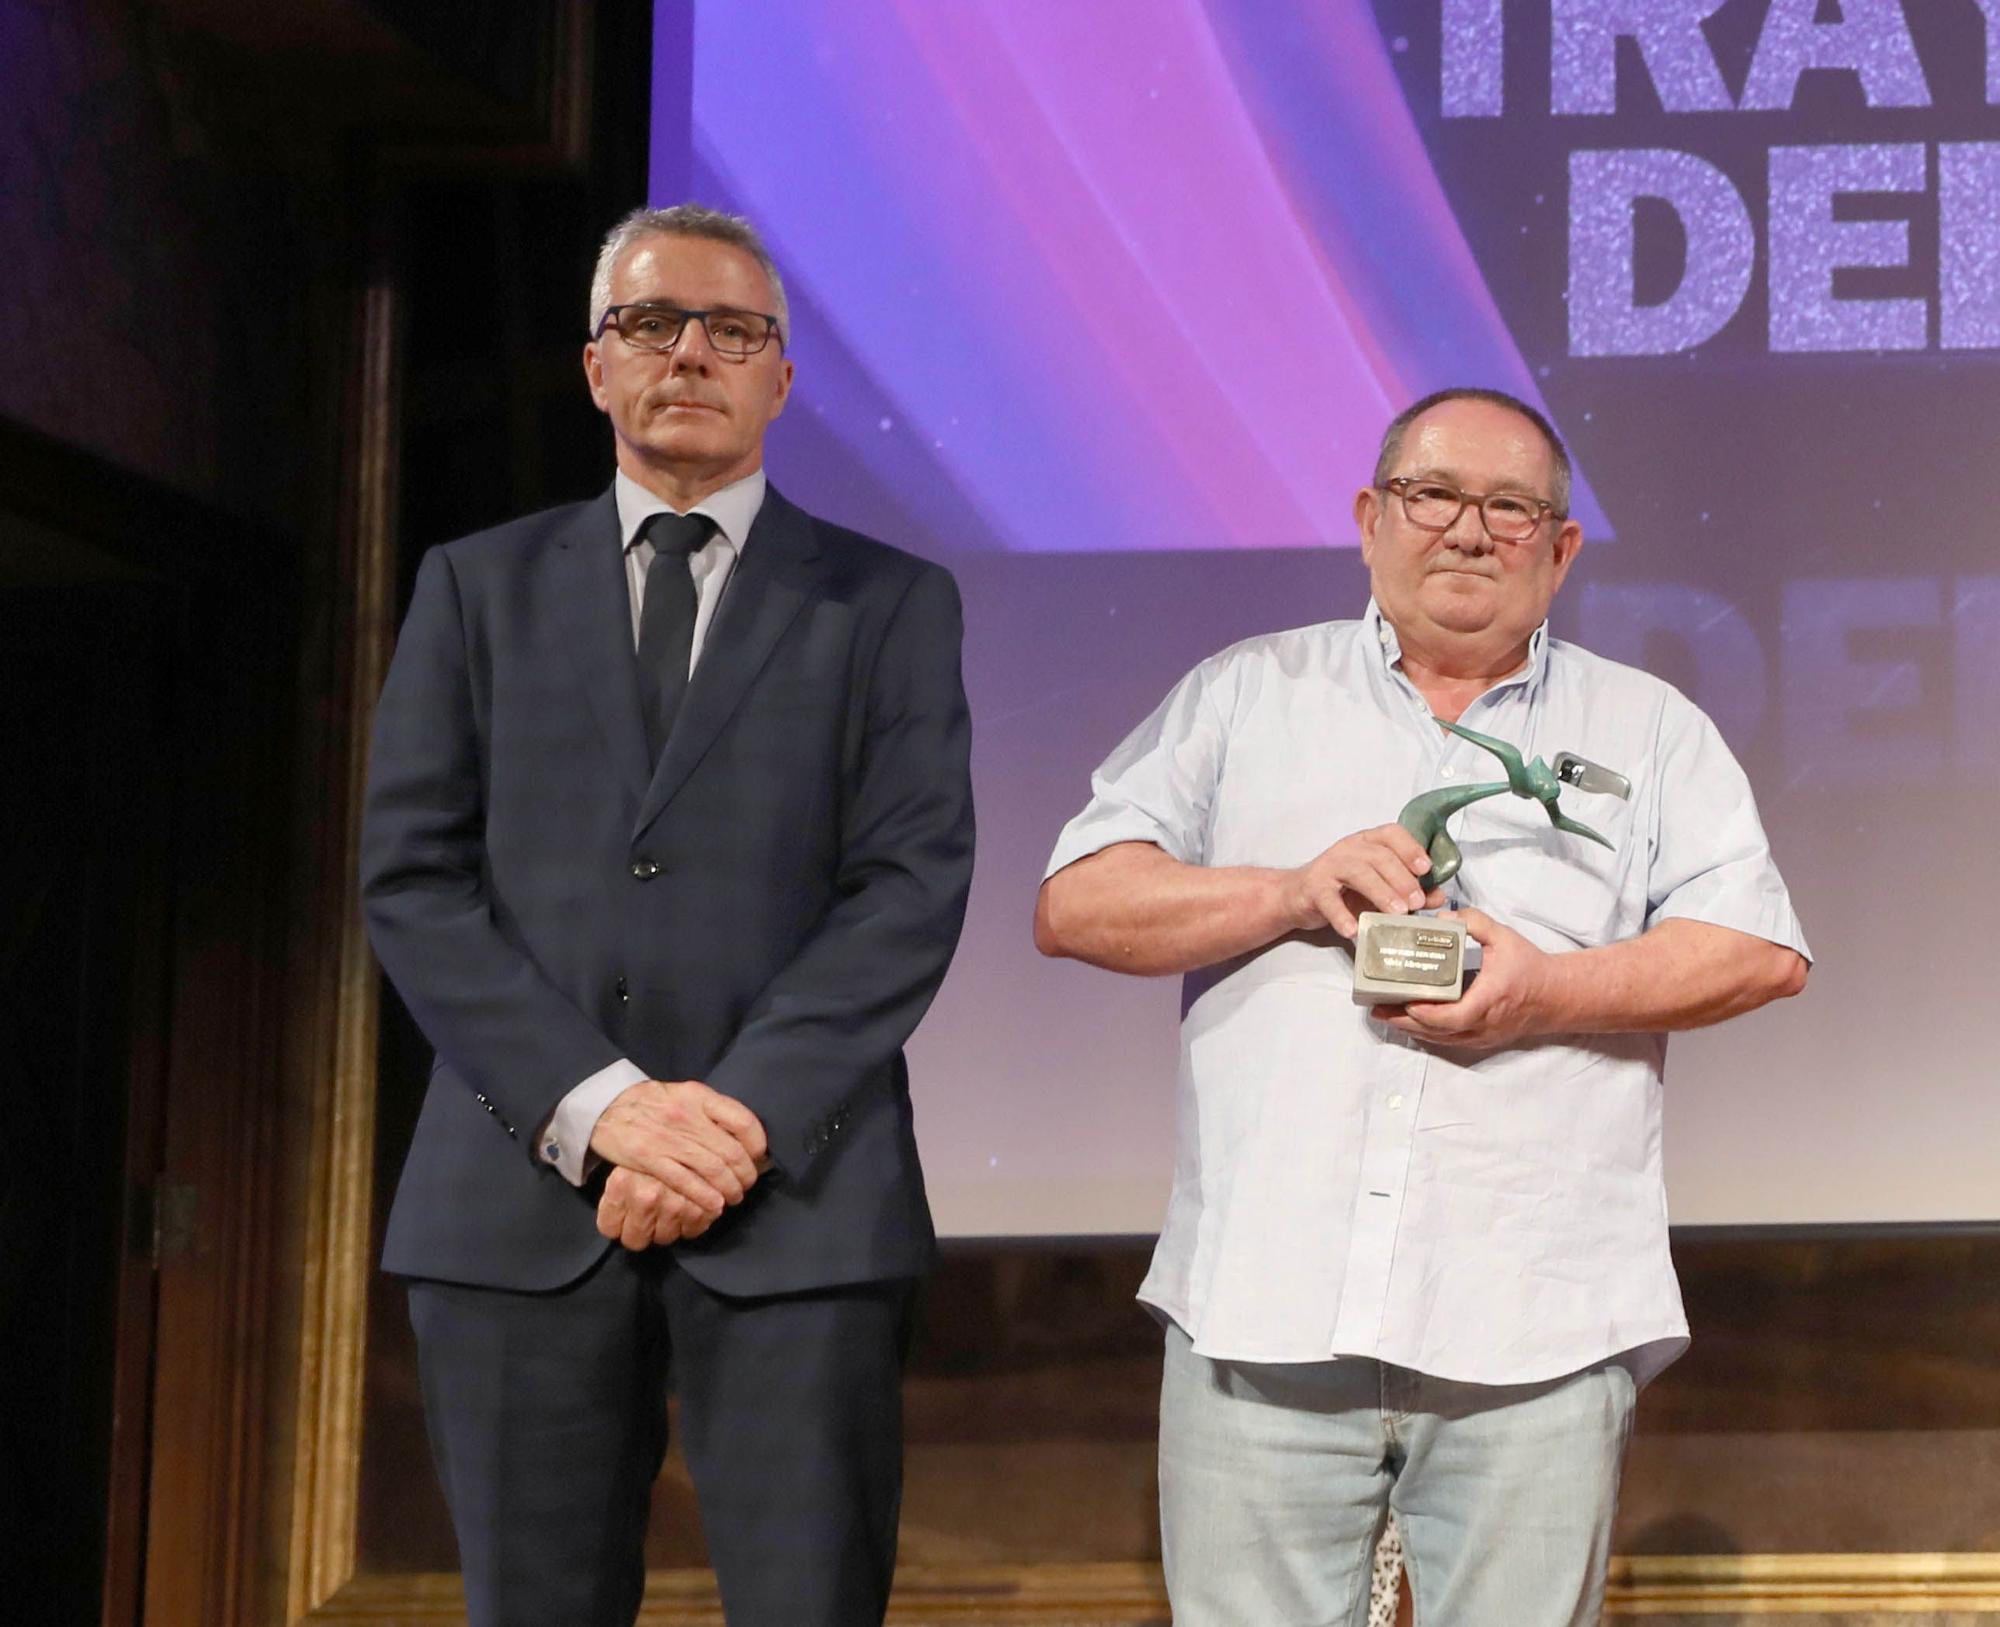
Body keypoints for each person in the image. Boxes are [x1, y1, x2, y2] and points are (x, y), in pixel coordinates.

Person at [1034, 387, 1808, 1627]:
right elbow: (1076, 902)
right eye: (1431, 494)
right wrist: (1291, 888)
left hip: (1533, 1325)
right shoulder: (1244, 695)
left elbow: (1759, 950)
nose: (1466, 529)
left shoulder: (1646, 726)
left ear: (1558, 551)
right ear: (1368, 519)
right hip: (1263, 1308)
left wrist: (1545, 992)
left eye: (1510, 507)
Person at [360, 203, 974, 1627]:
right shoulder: (475, 586)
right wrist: (600, 1105)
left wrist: (731, 1117)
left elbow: (909, 884)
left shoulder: (889, 603)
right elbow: (413, 879)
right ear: (595, 365)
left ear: (782, 378)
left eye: (734, 330)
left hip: (801, 1207)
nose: (691, 352)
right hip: (515, 1204)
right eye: (651, 322)